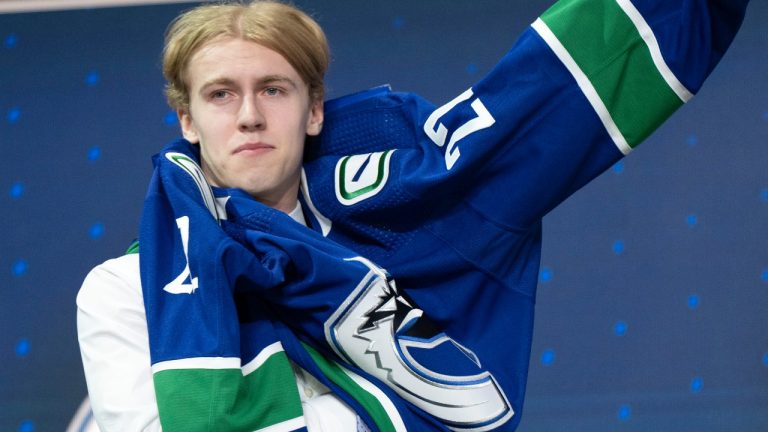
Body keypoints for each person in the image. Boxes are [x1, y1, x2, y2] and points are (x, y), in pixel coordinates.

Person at [77, 0, 752, 431]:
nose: (249, 114)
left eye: (273, 89)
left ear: (313, 110)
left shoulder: (418, 208)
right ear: (187, 120)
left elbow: (543, 104)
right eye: (222, 94)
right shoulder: (125, 289)